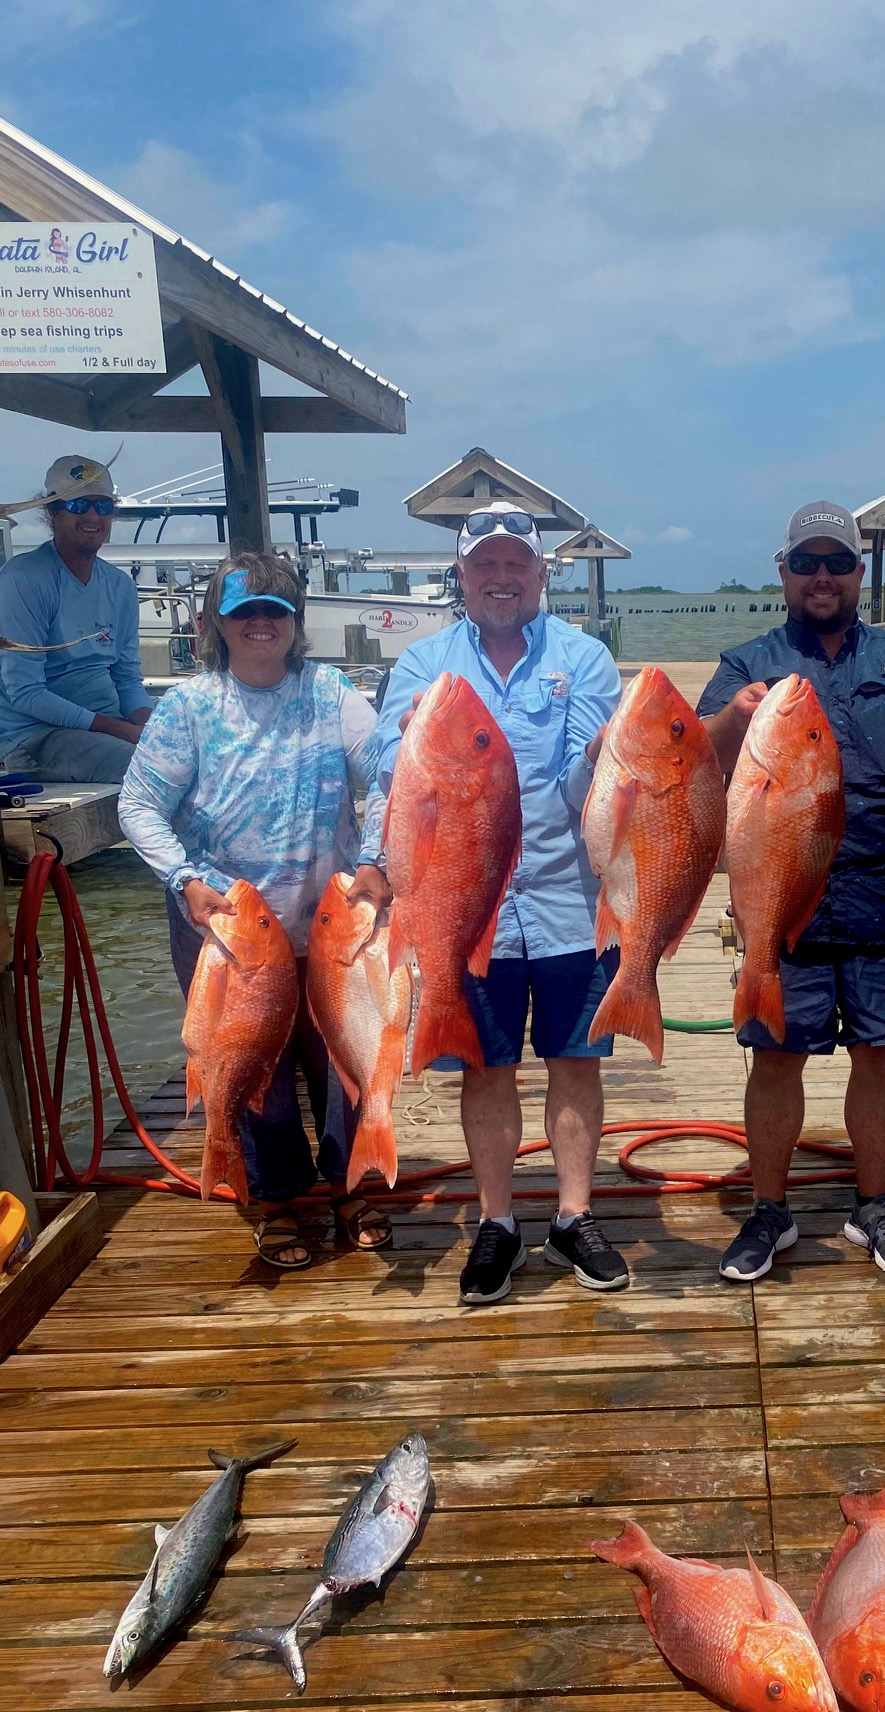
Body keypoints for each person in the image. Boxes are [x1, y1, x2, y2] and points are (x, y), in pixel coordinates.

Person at [374, 501, 625, 1307]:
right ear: (461, 575)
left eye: (517, 564)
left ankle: (575, 1215)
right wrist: (408, 743)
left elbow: (584, 790)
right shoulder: (424, 663)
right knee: (485, 1067)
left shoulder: (584, 658)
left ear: (541, 575)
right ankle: (497, 1220)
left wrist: (606, 755)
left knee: (575, 1061)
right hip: (465, 904)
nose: (502, 578)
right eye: (486, 564)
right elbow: (385, 771)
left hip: (569, 900)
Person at [698, 500, 885, 1283]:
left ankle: (874, 1206)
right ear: (784, 573)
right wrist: (733, 719)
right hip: (782, 899)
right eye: (806, 562)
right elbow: (696, 759)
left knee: (882, 1054)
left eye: (837, 563)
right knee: (776, 1057)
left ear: (859, 572)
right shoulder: (748, 664)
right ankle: (768, 1210)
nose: (822, 576)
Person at [119, 552, 392, 1269]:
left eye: (276, 611)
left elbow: (391, 777)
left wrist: (375, 857)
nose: (261, 624)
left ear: (296, 623)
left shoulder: (331, 693)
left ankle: (351, 1183)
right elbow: (139, 805)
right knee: (247, 1063)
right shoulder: (189, 707)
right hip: (226, 932)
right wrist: (183, 879)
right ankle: (272, 1197)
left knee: (340, 1059)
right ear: (217, 623)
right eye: (245, 612)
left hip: (328, 923)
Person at [0, 454, 153, 783]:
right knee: (153, 771)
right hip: (37, 739)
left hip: (110, 730)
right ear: (52, 511)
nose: (93, 516)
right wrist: (120, 730)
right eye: (78, 505)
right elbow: (25, 692)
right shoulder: (23, 579)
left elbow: (127, 679)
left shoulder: (121, 586)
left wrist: (152, 726)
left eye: (103, 506)